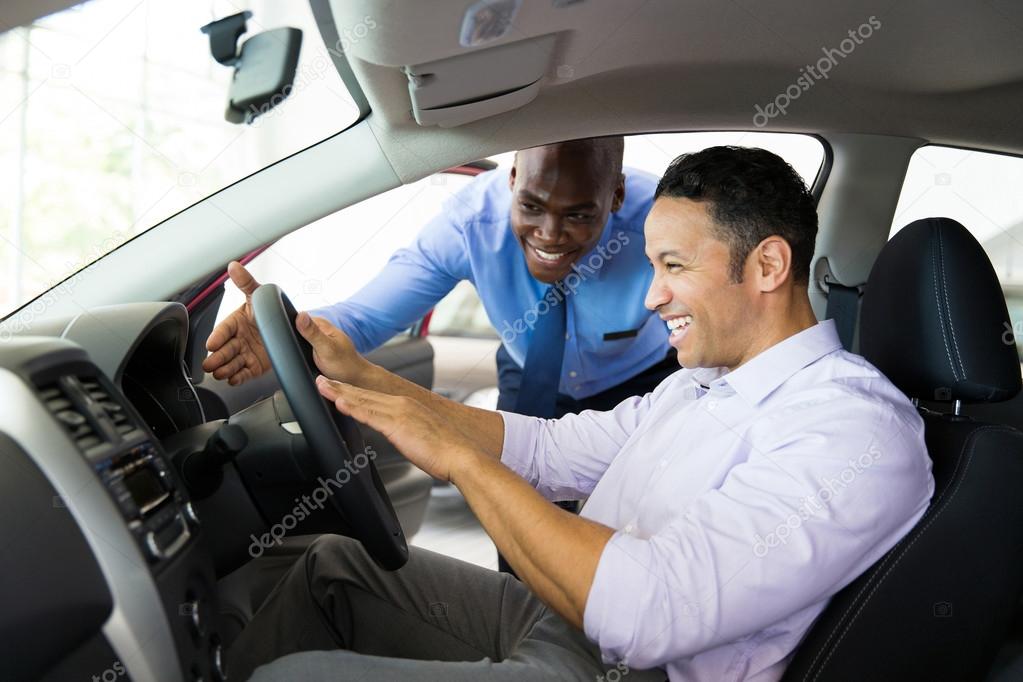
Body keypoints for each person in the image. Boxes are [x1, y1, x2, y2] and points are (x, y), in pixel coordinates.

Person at [225, 146, 935, 681]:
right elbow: (546, 449)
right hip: (568, 625)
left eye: (674, 268)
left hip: (629, 668)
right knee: (329, 566)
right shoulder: (705, 385)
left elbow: (648, 615)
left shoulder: (851, 430)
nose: (651, 297)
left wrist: (459, 460)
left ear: (769, 267)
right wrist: (365, 378)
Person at [203, 136, 674, 422]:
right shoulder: (468, 223)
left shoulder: (663, 222)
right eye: (531, 206)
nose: (549, 234)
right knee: (518, 524)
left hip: (642, 379)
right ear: (512, 179)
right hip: (529, 373)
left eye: (577, 214)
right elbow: (367, 318)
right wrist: (287, 331)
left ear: (614, 196)